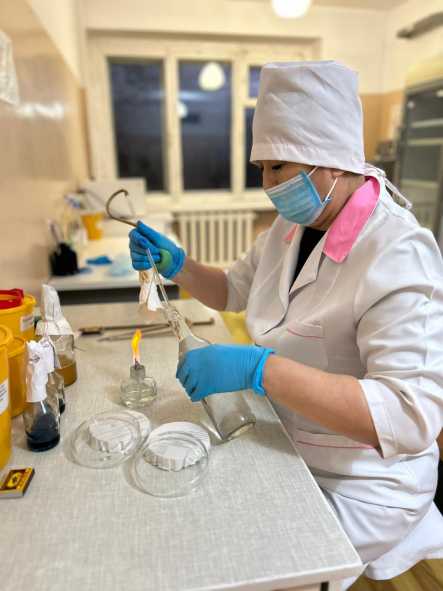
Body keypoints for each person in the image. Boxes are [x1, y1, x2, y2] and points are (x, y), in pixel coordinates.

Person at [129, 61, 443, 587]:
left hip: (364, 483)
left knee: (251, 562)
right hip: (291, 438)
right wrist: (178, 265)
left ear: (333, 160)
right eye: (263, 168)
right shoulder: (291, 227)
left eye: (280, 166)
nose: (269, 185)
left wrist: (260, 369)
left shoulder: (398, 251)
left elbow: (410, 418)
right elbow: (233, 290)